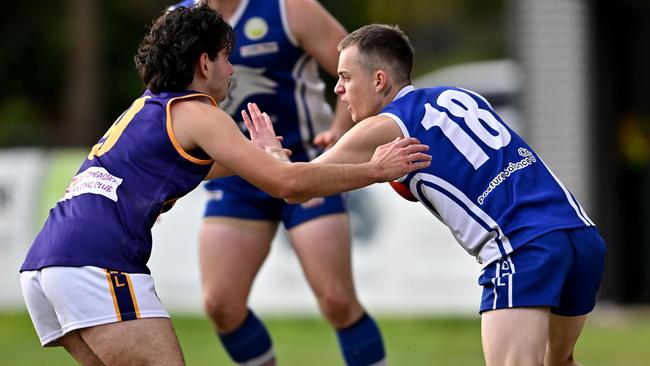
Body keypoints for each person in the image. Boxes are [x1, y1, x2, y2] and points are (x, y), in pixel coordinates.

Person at [18, 8, 431, 365]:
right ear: (204, 63)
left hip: (46, 265)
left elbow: (220, 167)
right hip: (97, 263)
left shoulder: (148, 107)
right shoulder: (197, 110)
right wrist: (375, 169)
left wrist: (263, 156)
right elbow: (287, 184)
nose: (232, 70)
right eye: (226, 58)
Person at [279, 24, 605, 366]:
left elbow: (295, 187)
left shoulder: (385, 127)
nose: (338, 88)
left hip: (522, 248)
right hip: (579, 235)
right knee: (560, 361)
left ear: (378, 81)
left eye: (345, 77)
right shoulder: (458, 95)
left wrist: (272, 154)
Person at [167, 1, 388, 365]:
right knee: (221, 305)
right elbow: (163, 100)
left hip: (306, 167)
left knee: (336, 300)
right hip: (236, 175)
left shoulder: (289, 9)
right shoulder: (180, 18)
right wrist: (157, 181)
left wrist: (340, 130)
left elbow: (359, 68)